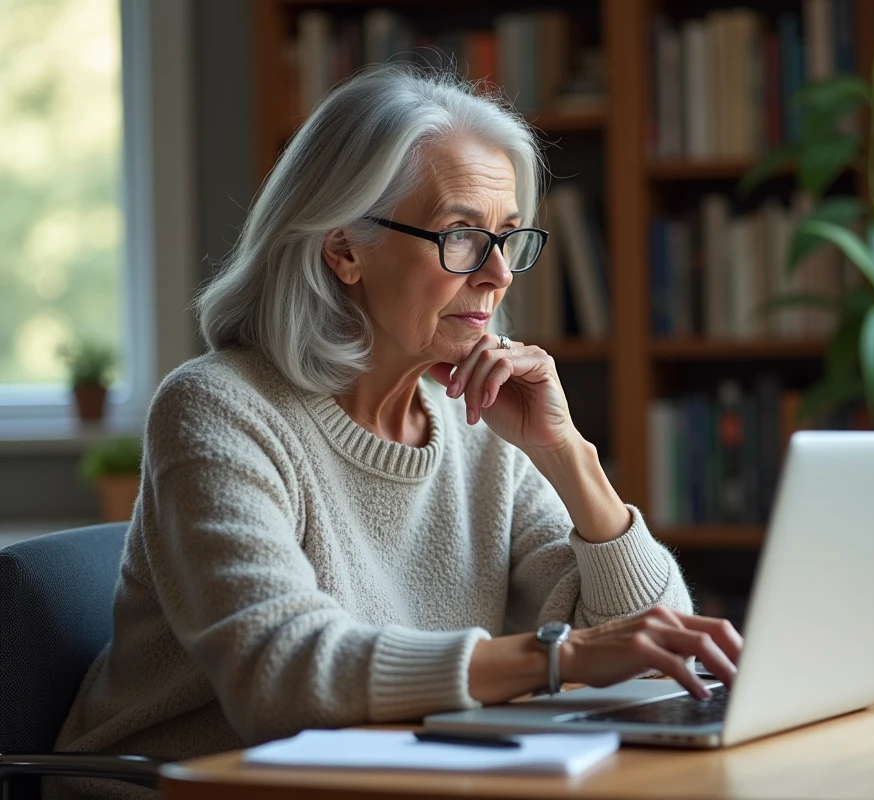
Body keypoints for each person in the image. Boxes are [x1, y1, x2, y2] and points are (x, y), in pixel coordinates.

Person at [51, 67, 741, 798]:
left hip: (386, 779)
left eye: (507, 239)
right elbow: (283, 678)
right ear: (343, 248)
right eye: (462, 235)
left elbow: (653, 649)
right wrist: (558, 658)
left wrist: (568, 455)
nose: (499, 275)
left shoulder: (476, 421)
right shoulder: (218, 409)